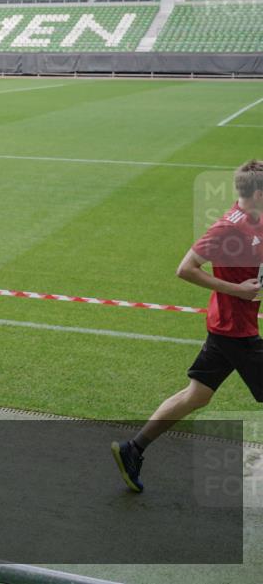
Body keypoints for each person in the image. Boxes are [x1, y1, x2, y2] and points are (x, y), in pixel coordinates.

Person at [112, 160, 263, 492]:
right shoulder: (227, 227)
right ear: (255, 193)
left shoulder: (256, 218)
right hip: (236, 332)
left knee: (196, 396)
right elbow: (186, 268)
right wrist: (239, 290)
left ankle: (132, 450)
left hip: (229, 328)